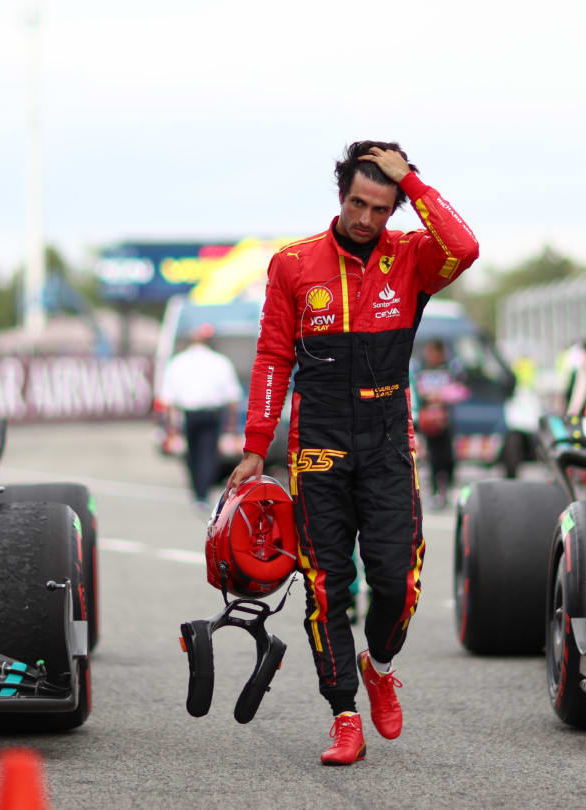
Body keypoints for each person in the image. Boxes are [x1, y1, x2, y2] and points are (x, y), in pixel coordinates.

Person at [225, 141, 478, 765]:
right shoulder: (292, 264)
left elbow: (466, 248)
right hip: (318, 442)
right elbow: (271, 357)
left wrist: (412, 182)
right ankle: (343, 714)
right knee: (325, 585)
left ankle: (380, 665)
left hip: (389, 436)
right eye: (357, 203)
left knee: (396, 578)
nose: (366, 219)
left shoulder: (414, 257)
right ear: (340, 196)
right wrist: (257, 445)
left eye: (380, 208)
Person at [158, 325, 243, 510]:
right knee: (208, 454)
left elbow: (168, 398)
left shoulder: (178, 362)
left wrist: (171, 426)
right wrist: (232, 426)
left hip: (189, 414)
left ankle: (198, 491)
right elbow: (233, 397)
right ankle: (203, 492)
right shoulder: (220, 362)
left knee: (192, 454)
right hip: (211, 414)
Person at [414, 339, 463, 510]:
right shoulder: (423, 368)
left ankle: (445, 489)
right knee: (433, 457)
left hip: (445, 420)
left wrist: (443, 396)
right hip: (429, 421)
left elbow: (458, 389)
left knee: (448, 458)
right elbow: (418, 390)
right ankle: (435, 491)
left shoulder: (448, 369)